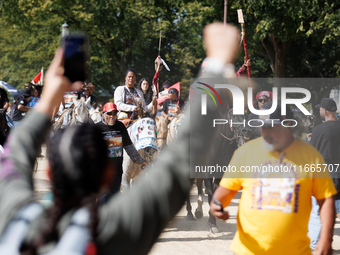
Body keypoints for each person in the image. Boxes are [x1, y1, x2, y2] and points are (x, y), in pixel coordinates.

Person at [0, 22, 240, 255]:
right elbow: (178, 166)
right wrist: (217, 66)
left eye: (136, 79)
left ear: (49, 171)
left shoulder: (13, 216)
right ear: (107, 172)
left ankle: (149, 148)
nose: (134, 81)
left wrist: (51, 94)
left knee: (155, 124)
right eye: (132, 78)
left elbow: (17, 149)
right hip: (125, 118)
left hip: (135, 120)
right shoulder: (117, 233)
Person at [210, 102, 336, 255]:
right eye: (262, 127)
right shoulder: (245, 153)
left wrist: (326, 238)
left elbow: (326, 200)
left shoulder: (310, 156)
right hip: (249, 250)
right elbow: (225, 190)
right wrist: (217, 204)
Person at [95, 102, 147, 198]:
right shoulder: (96, 128)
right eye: (109, 113)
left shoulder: (120, 127)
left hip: (117, 172)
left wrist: (140, 161)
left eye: (114, 114)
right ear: (103, 114)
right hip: (102, 173)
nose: (112, 116)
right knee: (103, 200)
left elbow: (129, 147)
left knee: (114, 199)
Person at [308, 98, 340, 249]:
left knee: (317, 211)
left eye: (320, 109)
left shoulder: (318, 130)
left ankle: (317, 244)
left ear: (325, 111)